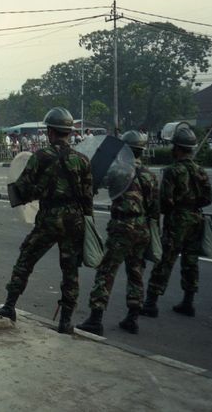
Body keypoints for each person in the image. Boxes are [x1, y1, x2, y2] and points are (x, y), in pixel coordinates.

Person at [0, 107, 93, 334]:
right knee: (70, 271)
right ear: (69, 132)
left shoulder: (41, 157)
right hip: (75, 219)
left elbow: (24, 189)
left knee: (26, 259)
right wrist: (87, 225)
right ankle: (66, 321)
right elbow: (88, 197)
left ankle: (10, 306)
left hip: (49, 217)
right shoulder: (82, 160)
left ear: (50, 131)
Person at [77, 131, 159, 336]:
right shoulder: (150, 175)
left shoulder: (120, 172)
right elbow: (154, 207)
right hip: (142, 227)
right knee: (136, 272)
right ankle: (133, 317)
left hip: (122, 226)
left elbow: (97, 182)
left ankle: (96, 318)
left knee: (106, 271)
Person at [141, 124, 212, 318]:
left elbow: (165, 201)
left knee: (165, 260)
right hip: (196, 219)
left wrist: (172, 209)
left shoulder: (172, 171)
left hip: (177, 220)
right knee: (191, 261)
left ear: (178, 148)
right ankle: (188, 301)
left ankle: (151, 302)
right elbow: (208, 198)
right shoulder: (201, 171)